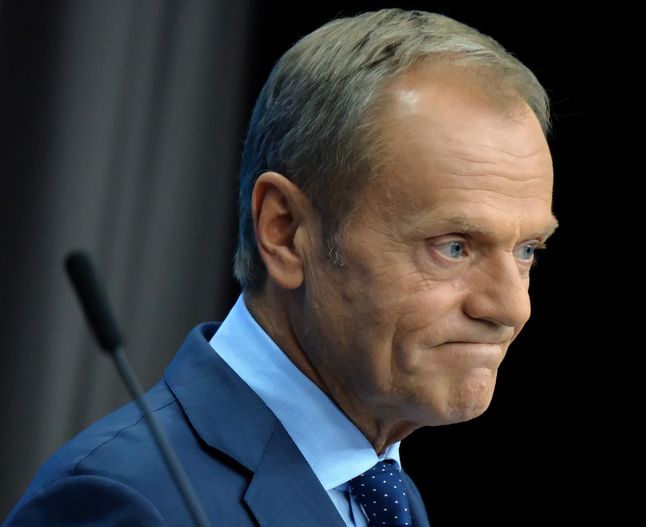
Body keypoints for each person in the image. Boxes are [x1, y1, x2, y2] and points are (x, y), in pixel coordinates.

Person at [2, 8, 557, 527]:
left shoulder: (380, 488)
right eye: (453, 247)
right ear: (286, 231)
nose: (510, 307)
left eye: (527, 250)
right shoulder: (127, 501)